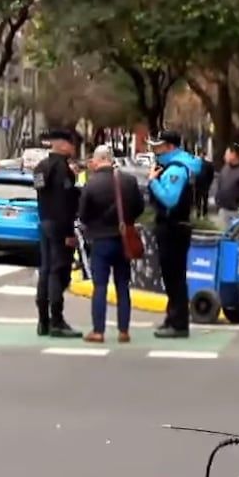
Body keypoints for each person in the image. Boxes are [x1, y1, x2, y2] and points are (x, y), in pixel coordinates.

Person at [77, 144, 145, 343]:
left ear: (98, 160)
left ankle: (98, 331)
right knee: (123, 285)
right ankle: (124, 331)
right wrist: (126, 221)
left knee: (100, 286)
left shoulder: (91, 184)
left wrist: (94, 225)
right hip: (123, 239)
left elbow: (83, 214)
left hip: (100, 240)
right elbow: (139, 207)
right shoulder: (129, 181)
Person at [146, 129, 203, 338]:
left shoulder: (177, 169)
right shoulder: (174, 165)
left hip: (173, 228)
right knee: (171, 276)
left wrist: (153, 181)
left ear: (170, 146)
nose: (155, 151)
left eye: (159, 147)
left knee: (174, 277)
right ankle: (172, 318)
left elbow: (170, 199)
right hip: (173, 226)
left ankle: (178, 323)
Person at [33, 128, 83, 338]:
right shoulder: (63, 170)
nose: (74, 149)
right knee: (58, 271)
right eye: (72, 144)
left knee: (45, 271)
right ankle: (57, 321)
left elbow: (41, 193)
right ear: (63, 144)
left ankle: (43, 321)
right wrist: (69, 232)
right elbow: (65, 202)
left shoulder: (40, 167)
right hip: (59, 225)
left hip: (44, 221)